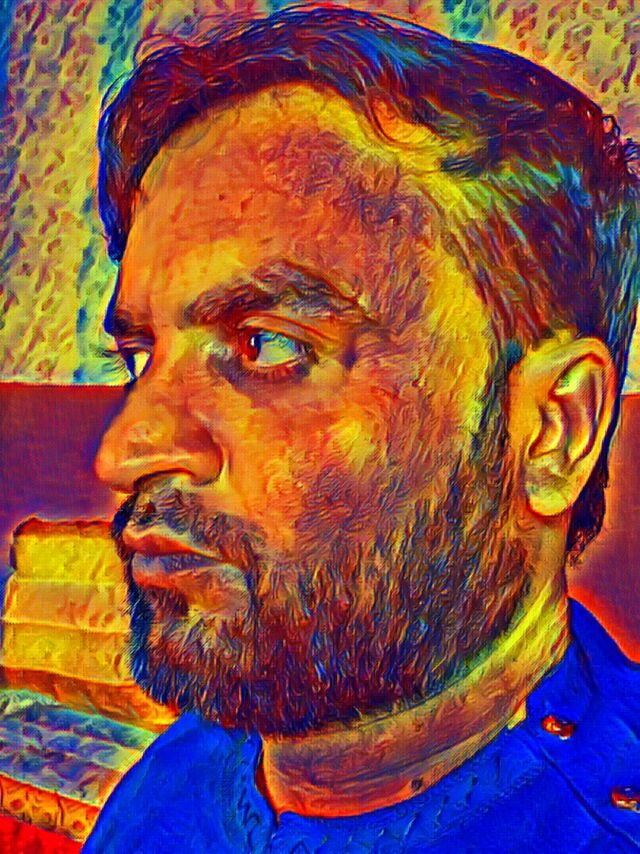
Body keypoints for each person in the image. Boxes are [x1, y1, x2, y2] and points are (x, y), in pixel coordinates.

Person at [85, 6, 640, 851]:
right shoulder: (176, 781)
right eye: (141, 356)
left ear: (551, 430)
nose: (125, 452)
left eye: (266, 345)